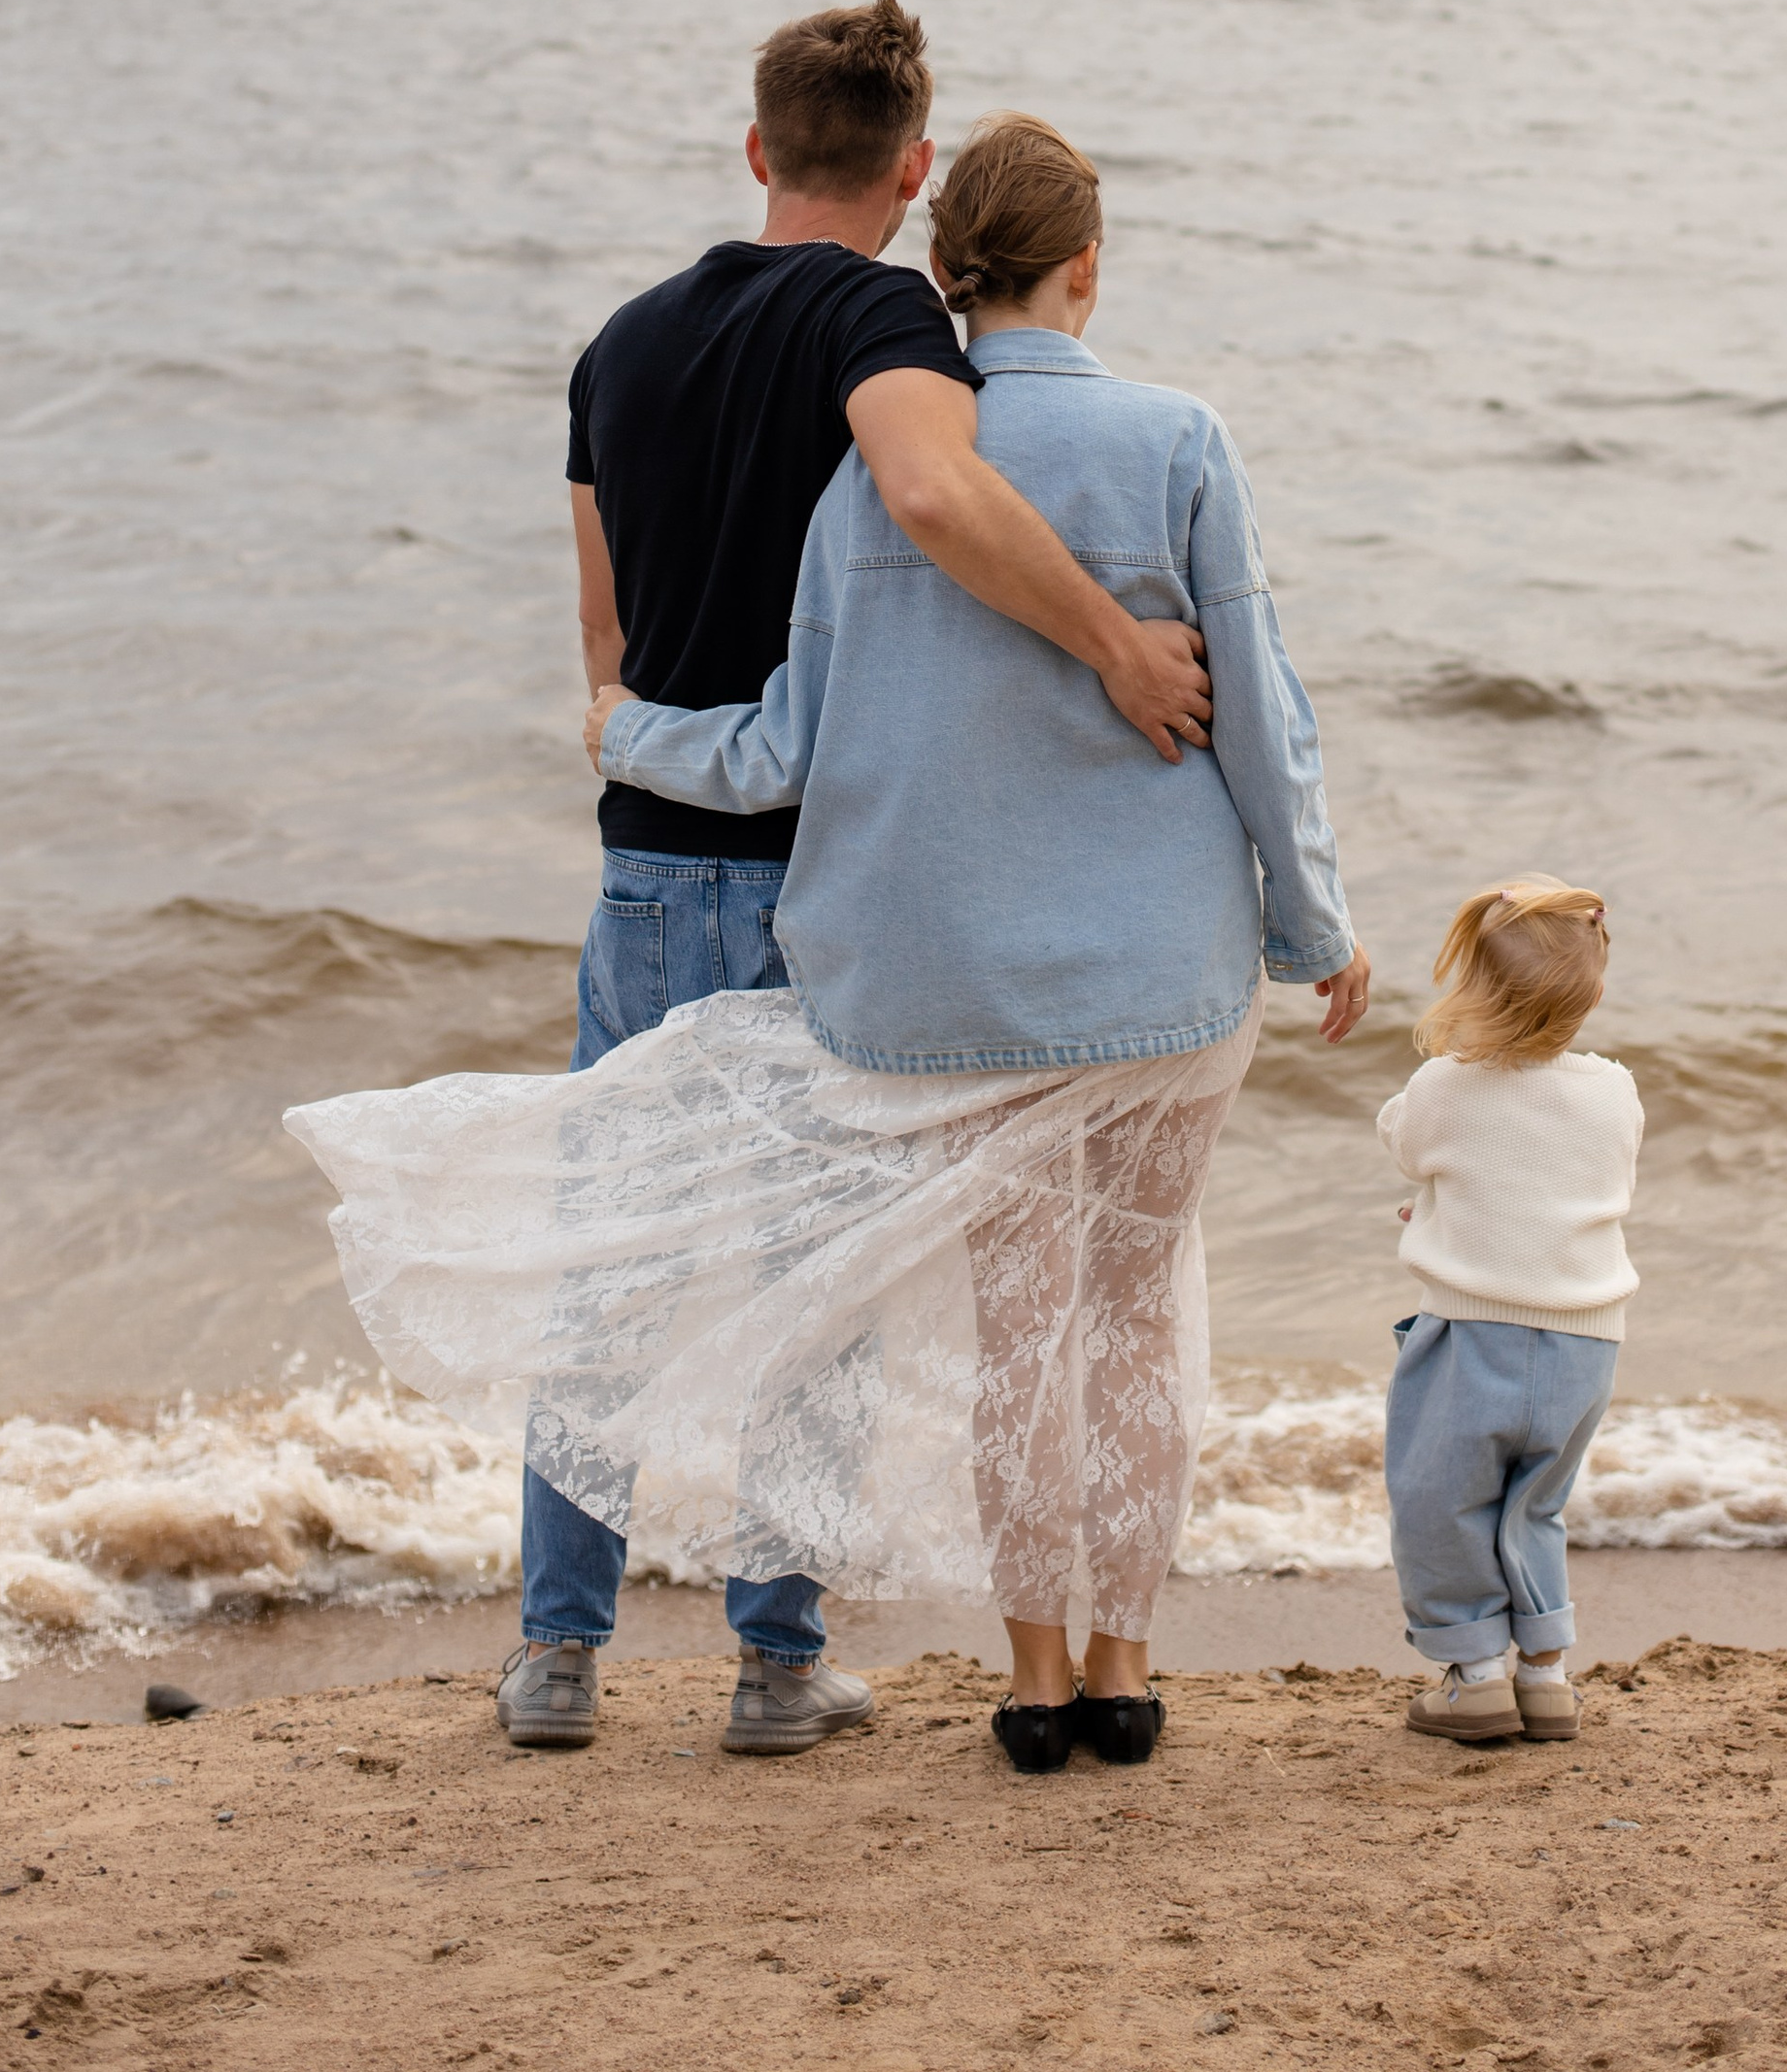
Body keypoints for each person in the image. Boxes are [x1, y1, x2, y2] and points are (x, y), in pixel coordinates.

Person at [288, 112, 1367, 1777]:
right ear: (1088, 265)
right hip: (1164, 978)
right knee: (1138, 1316)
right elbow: (1261, 717)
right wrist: (1314, 933)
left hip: (959, 990)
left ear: (947, 272)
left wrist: (626, 732)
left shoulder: (856, 475)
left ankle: (1012, 1683)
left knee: (996, 1325)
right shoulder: (1179, 438)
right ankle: (1117, 1668)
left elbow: (787, 745)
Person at [509, 2, 1212, 1760]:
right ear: (912, 175)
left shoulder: (616, 346)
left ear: (758, 150)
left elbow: (607, 661)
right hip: (821, 880)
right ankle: (772, 1663)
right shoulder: (881, 315)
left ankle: (556, 1659)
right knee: (804, 1277)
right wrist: (1119, 649)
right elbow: (928, 492)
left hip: (647, 879)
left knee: (609, 1261)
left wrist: (633, 729)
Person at [1374, 877, 1639, 1746]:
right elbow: (1553, 1180)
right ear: (1595, 993)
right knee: (1536, 1506)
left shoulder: (1447, 1085)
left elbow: (1405, 1140)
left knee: (1440, 1499)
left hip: (1472, 1333)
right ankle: (1547, 1674)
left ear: (1471, 994)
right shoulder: (1615, 1092)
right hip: (1586, 1344)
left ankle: (1477, 1675)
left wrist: (1442, 1191)